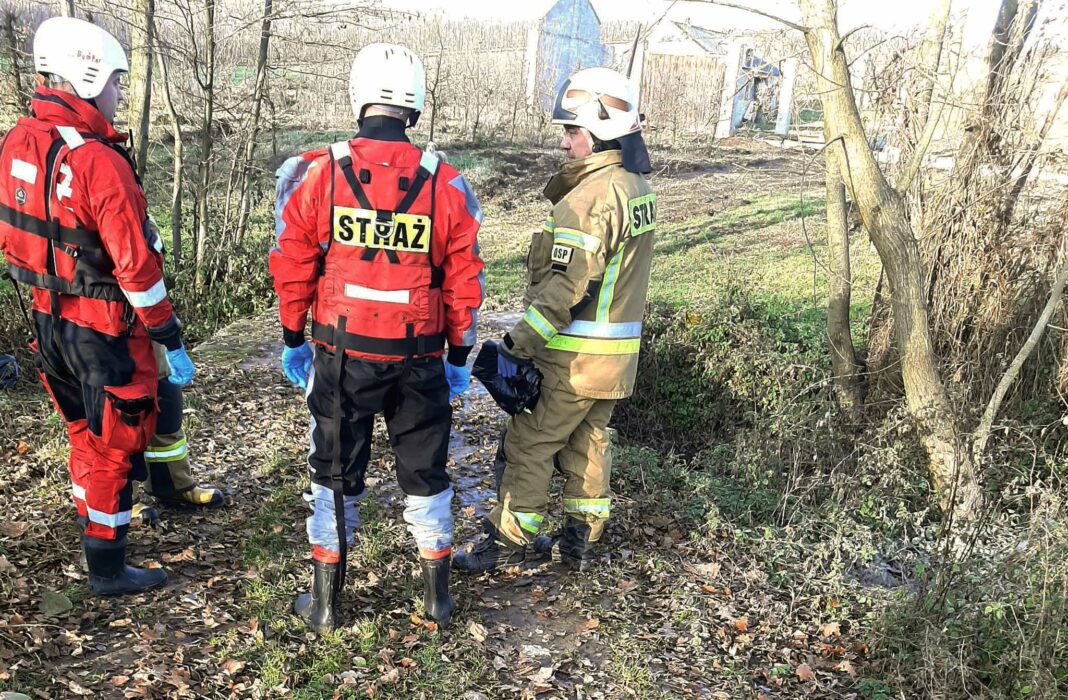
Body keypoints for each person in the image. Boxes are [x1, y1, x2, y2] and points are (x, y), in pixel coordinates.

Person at [270, 43, 485, 633]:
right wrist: (459, 355)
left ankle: (326, 604)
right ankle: (437, 601)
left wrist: (294, 336)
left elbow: (292, 263)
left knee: (335, 471)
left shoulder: (321, 174)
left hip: (342, 356)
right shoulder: (446, 182)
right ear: (413, 107)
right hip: (419, 358)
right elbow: (466, 278)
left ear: (359, 96)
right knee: (427, 471)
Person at [0, 17, 195, 595]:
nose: (117, 94)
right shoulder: (96, 161)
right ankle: (108, 566)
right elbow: (136, 266)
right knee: (114, 442)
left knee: (84, 434)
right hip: (104, 328)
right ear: (84, 77)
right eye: (114, 81)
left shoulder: (18, 141)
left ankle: (96, 532)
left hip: (46, 319)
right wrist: (168, 333)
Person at [454, 67, 656, 573]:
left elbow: (568, 287)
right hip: (613, 361)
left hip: (573, 358)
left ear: (601, 132)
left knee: (531, 443)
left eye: (573, 131)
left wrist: (517, 345)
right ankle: (581, 540)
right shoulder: (633, 186)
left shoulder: (588, 199)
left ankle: (507, 540)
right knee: (589, 443)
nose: (566, 143)